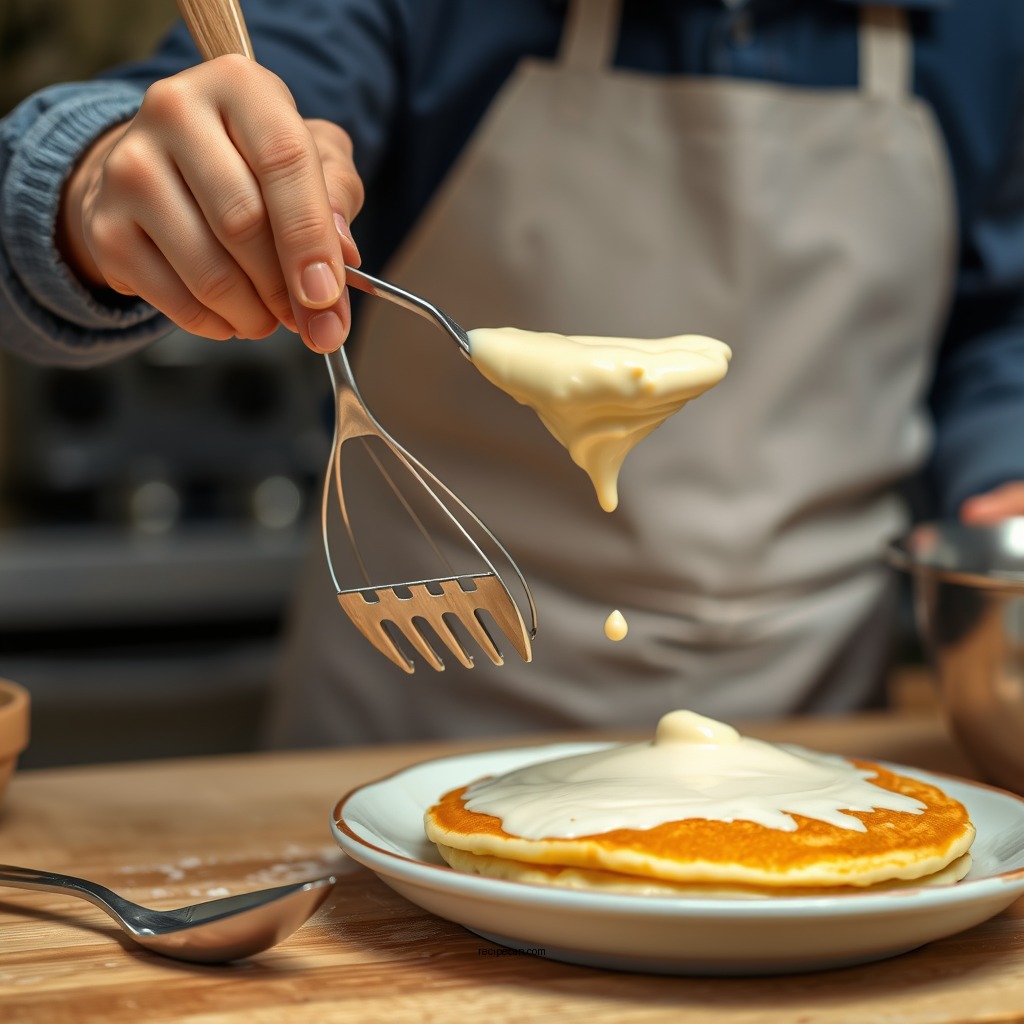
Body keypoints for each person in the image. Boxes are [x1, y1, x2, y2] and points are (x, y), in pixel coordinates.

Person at [2, 0, 1024, 747]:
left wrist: (1002, 482)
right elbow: (126, 146)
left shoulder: (987, 30)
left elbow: (993, 322)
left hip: (809, 737)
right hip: (411, 736)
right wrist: (94, 185)